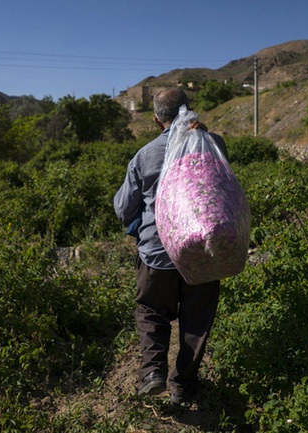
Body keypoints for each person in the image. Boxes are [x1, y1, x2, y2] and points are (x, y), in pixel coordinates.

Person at [113, 88, 228, 405]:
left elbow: (124, 209)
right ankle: (182, 386)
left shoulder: (145, 155)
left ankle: (153, 373)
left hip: (157, 254)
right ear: (189, 110)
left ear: (155, 119)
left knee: (151, 310)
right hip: (203, 252)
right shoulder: (213, 144)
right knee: (197, 320)